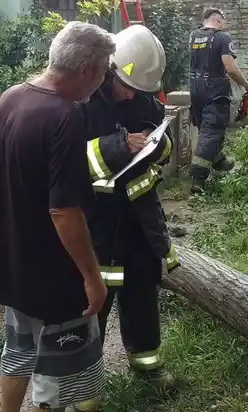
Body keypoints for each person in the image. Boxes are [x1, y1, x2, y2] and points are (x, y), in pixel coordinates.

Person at [0, 22, 115, 412]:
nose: (102, 81)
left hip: (14, 265)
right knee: (58, 380)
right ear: (85, 70)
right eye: (103, 71)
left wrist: (15, 175)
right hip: (54, 276)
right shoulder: (65, 117)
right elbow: (64, 211)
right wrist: (92, 278)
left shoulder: (13, 96)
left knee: (20, 352)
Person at [74, 25, 181, 412]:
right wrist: (119, 146)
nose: (132, 95)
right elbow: (69, 159)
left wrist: (156, 144)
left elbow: (166, 145)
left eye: (140, 90)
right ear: (108, 69)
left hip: (138, 222)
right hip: (97, 224)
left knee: (141, 291)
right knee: (91, 302)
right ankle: (83, 385)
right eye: (126, 86)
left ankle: (146, 363)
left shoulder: (144, 100)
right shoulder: (81, 102)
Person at [189, 7, 248, 195]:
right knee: (211, 133)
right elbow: (231, 68)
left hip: (195, 91)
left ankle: (218, 160)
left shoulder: (194, 36)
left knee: (207, 130)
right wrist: (247, 86)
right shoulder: (222, 38)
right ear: (218, 20)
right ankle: (197, 181)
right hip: (215, 93)